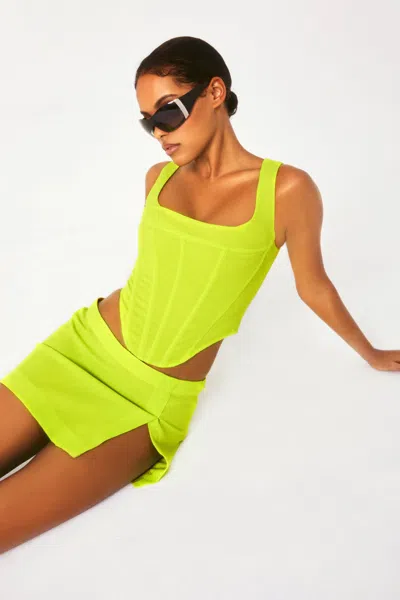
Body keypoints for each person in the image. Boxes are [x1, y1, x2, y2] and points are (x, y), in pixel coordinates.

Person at [0, 35, 399, 555]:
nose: (159, 133)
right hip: (81, 350)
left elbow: (314, 287)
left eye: (168, 112)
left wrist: (372, 354)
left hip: (147, 403)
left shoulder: (287, 191)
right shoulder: (157, 180)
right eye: (148, 122)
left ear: (214, 92)